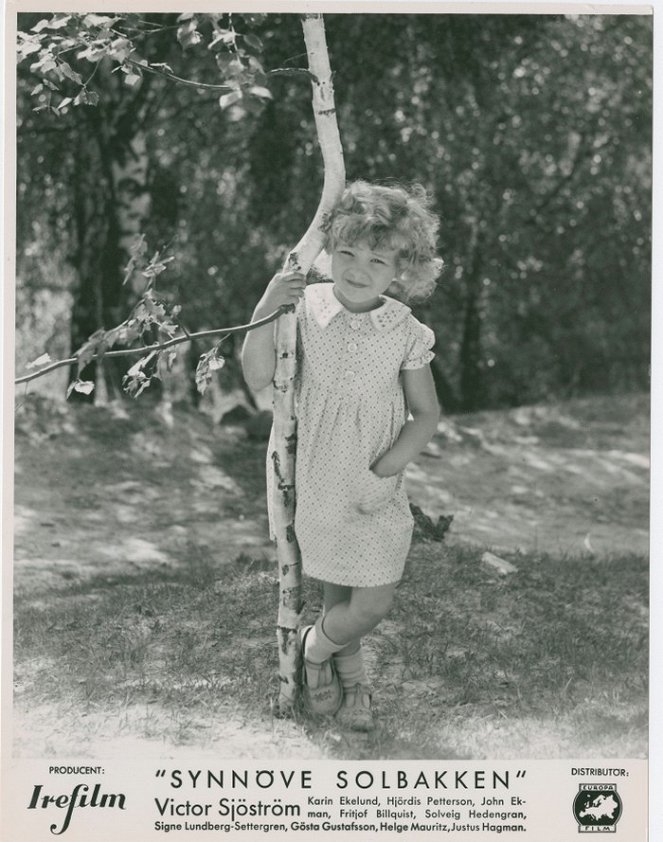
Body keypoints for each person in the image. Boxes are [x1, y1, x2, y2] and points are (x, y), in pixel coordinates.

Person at [241, 180, 442, 731]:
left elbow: (426, 415)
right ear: (329, 249)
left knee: (372, 602)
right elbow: (257, 376)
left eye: (377, 259)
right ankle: (352, 684)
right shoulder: (302, 309)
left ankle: (311, 650)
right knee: (337, 594)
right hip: (320, 479)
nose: (357, 267)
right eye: (347, 251)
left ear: (401, 268)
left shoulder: (404, 329)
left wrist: (385, 470)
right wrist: (265, 305)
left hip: (377, 482)